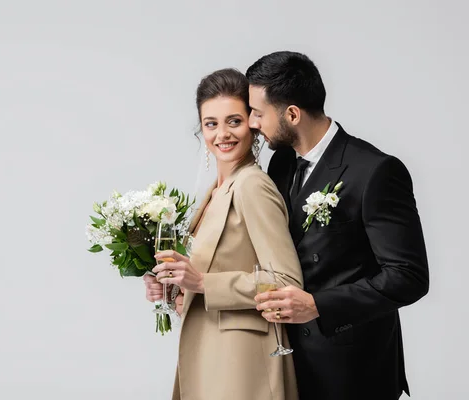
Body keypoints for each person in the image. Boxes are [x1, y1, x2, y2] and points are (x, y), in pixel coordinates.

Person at [247, 51, 429, 400]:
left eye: (258, 113)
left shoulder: (375, 171)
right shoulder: (281, 162)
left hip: (353, 367)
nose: (253, 122)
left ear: (292, 114)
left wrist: (318, 305)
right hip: (286, 359)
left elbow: (409, 276)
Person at [143, 68, 303, 400]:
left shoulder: (253, 186)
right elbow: (205, 276)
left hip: (243, 361)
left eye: (234, 121)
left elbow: (287, 282)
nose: (222, 134)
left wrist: (201, 283)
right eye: (211, 124)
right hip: (209, 352)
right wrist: (170, 288)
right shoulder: (215, 192)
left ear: (253, 125)